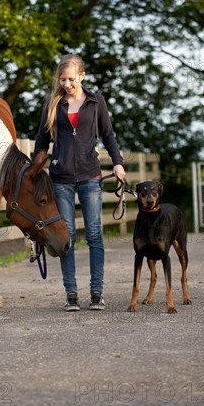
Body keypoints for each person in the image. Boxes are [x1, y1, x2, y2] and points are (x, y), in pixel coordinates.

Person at [33, 53, 126, 311]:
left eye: (71, 79)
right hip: (60, 177)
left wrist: (117, 162)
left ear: (82, 76)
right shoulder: (53, 104)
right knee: (68, 236)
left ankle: (97, 293)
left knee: (94, 234)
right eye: (62, 79)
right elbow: (41, 141)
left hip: (90, 175)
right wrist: (33, 170)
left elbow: (108, 135)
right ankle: (71, 293)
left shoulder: (96, 102)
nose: (67, 84)